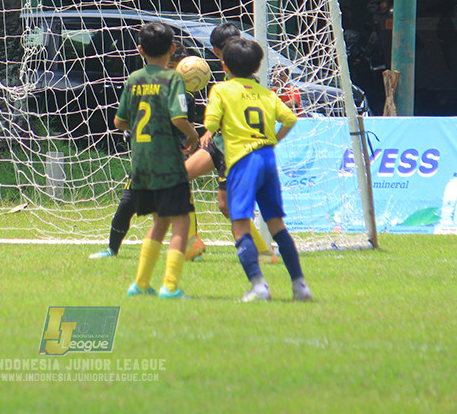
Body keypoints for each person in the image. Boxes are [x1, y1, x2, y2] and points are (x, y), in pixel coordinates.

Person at [203, 37, 312, 303]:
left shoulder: (221, 90)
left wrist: (211, 130)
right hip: (267, 158)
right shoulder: (267, 94)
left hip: (243, 160)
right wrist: (274, 139)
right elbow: (291, 118)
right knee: (276, 224)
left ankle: (259, 286)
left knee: (239, 224)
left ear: (224, 65)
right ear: (258, 66)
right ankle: (300, 285)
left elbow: (212, 121)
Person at [89, 41, 207, 261]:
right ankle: (112, 249)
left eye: (174, 69)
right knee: (127, 204)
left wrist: (186, 142)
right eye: (169, 68)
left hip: (170, 156)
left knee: (181, 206)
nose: (169, 72)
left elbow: (182, 123)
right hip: (146, 157)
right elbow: (124, 119)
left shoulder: (184, 96)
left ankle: (192, 245)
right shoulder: (140, 84)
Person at [115, 22, 199, 300]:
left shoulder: (133, 79)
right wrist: (193, 135)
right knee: (181, 223)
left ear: (140, 50)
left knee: (160, 221)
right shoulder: (173, 79)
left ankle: (140, 284)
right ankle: (170, 287)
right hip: (167, 163)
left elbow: (119, 121)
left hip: (141, 164)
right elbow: (178, 118)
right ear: (173, 49)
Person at [182, 23, 278, 263]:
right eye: (228, 46)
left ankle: (264, 251)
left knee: (226, 207)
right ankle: (192, 241)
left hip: (233, 150)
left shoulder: (245, 78)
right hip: (218, 143)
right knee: (178, 177)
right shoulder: (228, 75)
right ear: (217, 52)